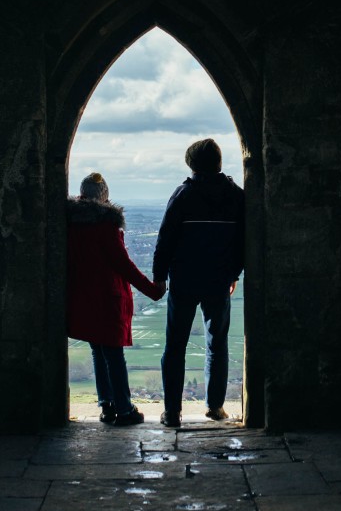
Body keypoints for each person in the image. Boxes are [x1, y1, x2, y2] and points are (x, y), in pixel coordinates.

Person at [153, 138, 245, 427]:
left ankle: (172, 411)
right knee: (217, 343)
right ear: (218, 162)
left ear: (191, 164)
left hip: (184, 280)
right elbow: (244, 242)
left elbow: (165, 239)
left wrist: (158, 276)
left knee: (175, 345)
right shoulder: (237, 196)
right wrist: (234, 273)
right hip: (218, 279)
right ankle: (215, 407)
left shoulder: (183, 195)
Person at [66, 172, 164, 426]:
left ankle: (107, 404)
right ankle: (124, 408)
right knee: (113, 354)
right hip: (108, 299)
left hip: (84, 297)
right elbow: (123, 265)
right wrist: (152, 290)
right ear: (105, 196)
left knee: (98, 351)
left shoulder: (72, 223)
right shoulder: (106, 225)